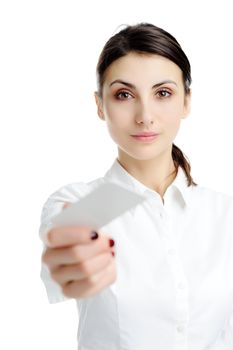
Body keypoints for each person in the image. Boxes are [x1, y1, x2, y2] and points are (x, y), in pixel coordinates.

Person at [39, 22, 233, 349]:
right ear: (100, 104)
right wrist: (73, 256)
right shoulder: (85, 202)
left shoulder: (223, 213)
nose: (145, 115)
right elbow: (65, 246)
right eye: (124, 95)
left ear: (186, 102)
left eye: (163, 93)